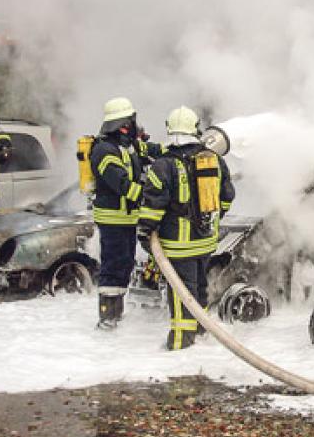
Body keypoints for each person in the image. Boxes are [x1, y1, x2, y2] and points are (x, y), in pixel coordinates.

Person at [138, 106, 235, 350]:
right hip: (206, 241)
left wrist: (145, 233)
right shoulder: (214, 160)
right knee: (199, 288)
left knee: (182, 294)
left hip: (178, 245)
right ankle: (201, 332)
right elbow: (227, 197)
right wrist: (211, 219)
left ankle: (181, 343)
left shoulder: (163, 166)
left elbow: (153, 206)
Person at [90, 97, 164, 329]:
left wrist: (178, 149)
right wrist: (148, 195)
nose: (133, 126)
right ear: (121, 124)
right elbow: (121, 183)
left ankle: (116, 314)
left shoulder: (128, 146)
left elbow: (153, 150)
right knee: (113, 268)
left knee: (124, 265)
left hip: (127, 219)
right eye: (130, 122)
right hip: (112, 220)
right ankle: (107, 318)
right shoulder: (103, 150)